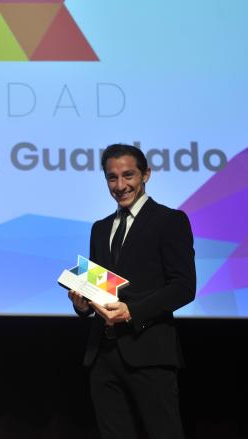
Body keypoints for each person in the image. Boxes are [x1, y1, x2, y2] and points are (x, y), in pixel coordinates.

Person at [68, 143, 196, 439]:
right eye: (112, 178)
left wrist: (132, 312)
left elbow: (183, 287)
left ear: (146, 175)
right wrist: (82, 304)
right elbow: (102, 287)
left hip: (150, 352)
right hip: (103, 356)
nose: (120, 185)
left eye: (128, 175)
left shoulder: (170, 221)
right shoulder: (100, 228)